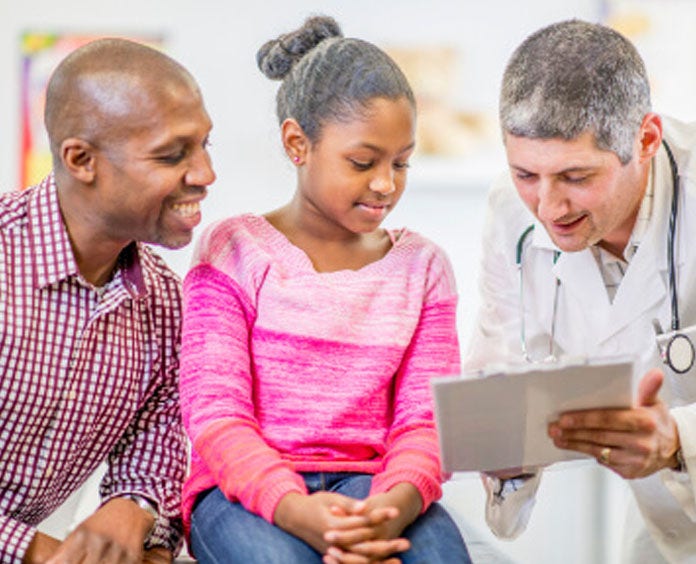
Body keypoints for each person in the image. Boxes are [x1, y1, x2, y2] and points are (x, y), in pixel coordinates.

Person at [179, 15, 471, 564]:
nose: (386, 184)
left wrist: (387, 511)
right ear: (298, 143)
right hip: (241, 493)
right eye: (362, 162)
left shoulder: (424, 269)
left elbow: (426, 424)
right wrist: (293, 509)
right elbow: (214, 414)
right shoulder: (234, 250)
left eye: (402, 163)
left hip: (374, 485)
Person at [465, 18, 696, 563]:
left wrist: (677, 439)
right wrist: (502, 449)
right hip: (665, 529)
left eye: (575, 177)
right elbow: (499, 368)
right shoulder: (508, 214)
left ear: (645, 139)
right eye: (526, 174)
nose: (549, 208)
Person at [0, 38, 215, 563]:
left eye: (207, 145)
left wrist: (134, 508)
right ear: (81, 160)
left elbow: (158, 452)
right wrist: (38, 551)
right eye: (172, 154)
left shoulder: (166, 304)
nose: (205, 174)